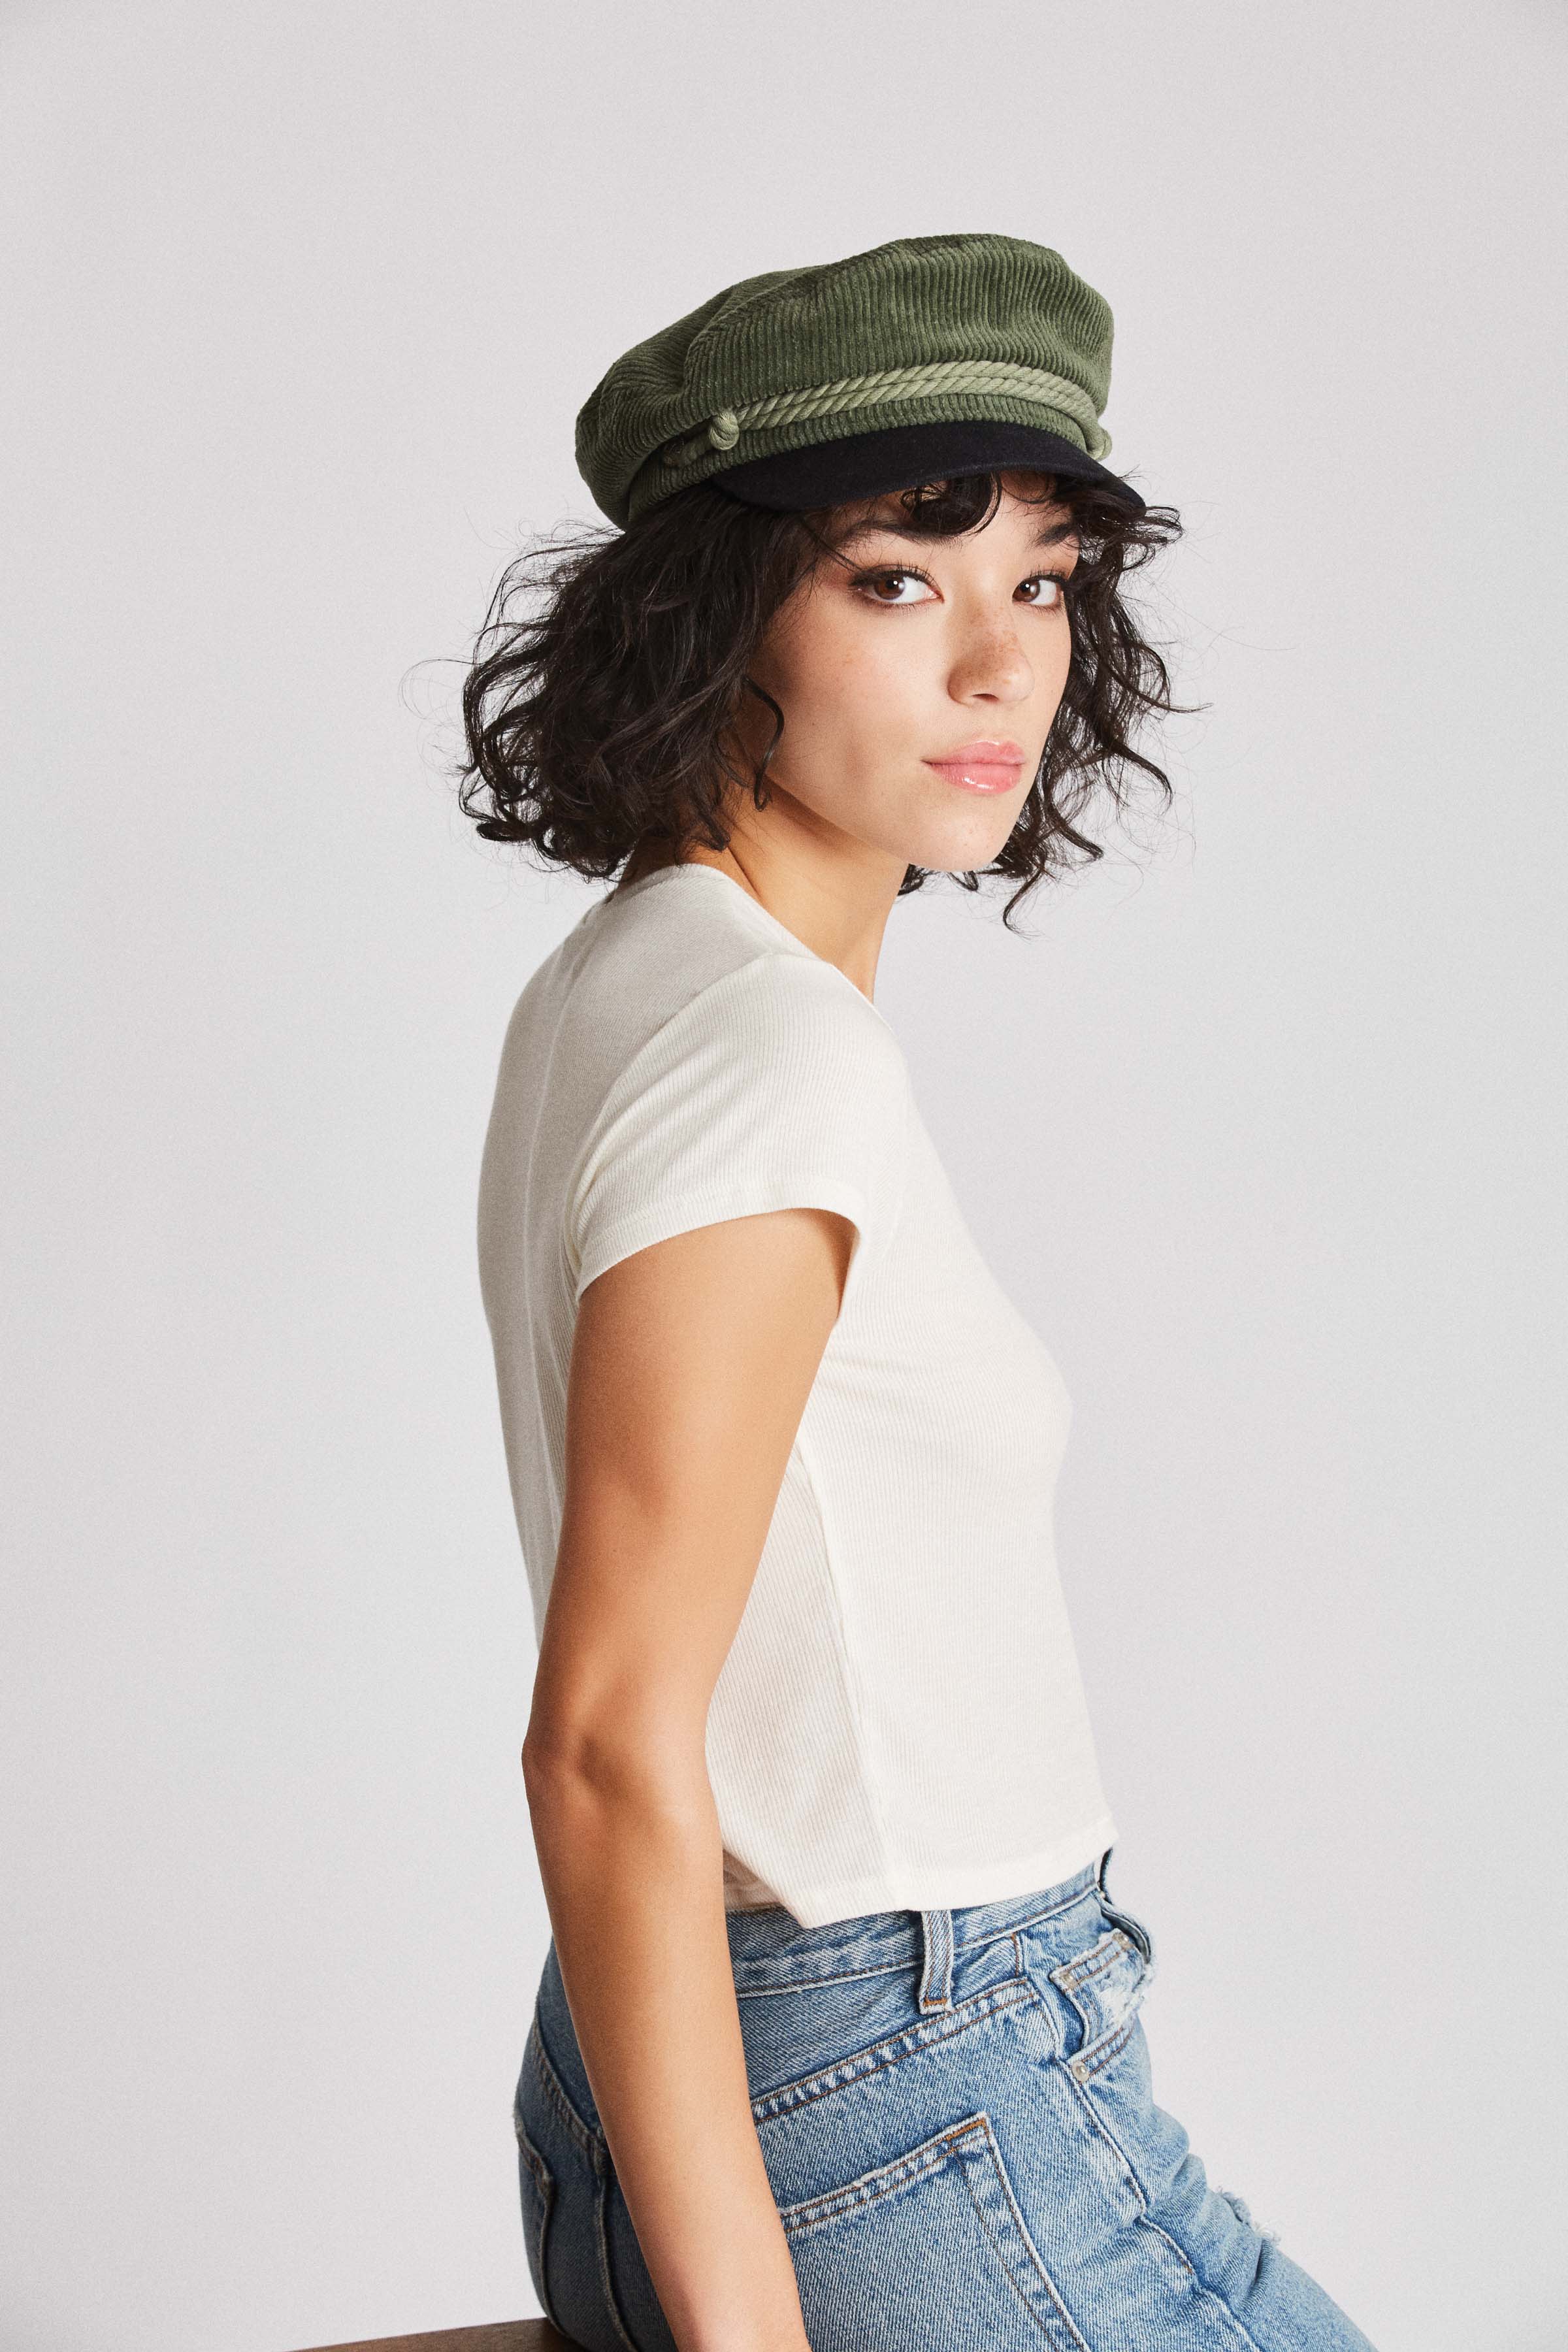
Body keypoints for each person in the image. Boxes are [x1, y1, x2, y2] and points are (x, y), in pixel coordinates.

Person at [458, 234, 1376, 2352]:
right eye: (895, 580)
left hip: (683, 2076)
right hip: (902, 2077)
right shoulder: (774, 1054)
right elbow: (601, 1740)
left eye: (1041, 583)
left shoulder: (625, 981)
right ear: (718, 617)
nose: (997, 669)